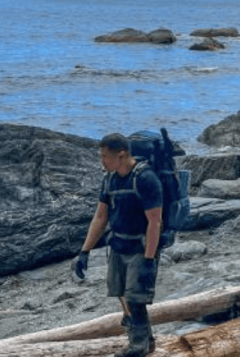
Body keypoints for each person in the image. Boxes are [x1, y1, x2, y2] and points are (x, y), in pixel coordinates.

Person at [73, 133, 163, 357]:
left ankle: (138, 346)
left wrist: (149, 260)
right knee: (121, 293)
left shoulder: (145, 178)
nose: (102, 161)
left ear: (121, 155)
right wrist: (84, 251)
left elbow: (155, 221)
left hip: (140, 248)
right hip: (118, 246)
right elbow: (100, 217)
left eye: (105, 156)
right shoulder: (110, 180)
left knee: (135, 297)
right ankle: (146, 341)